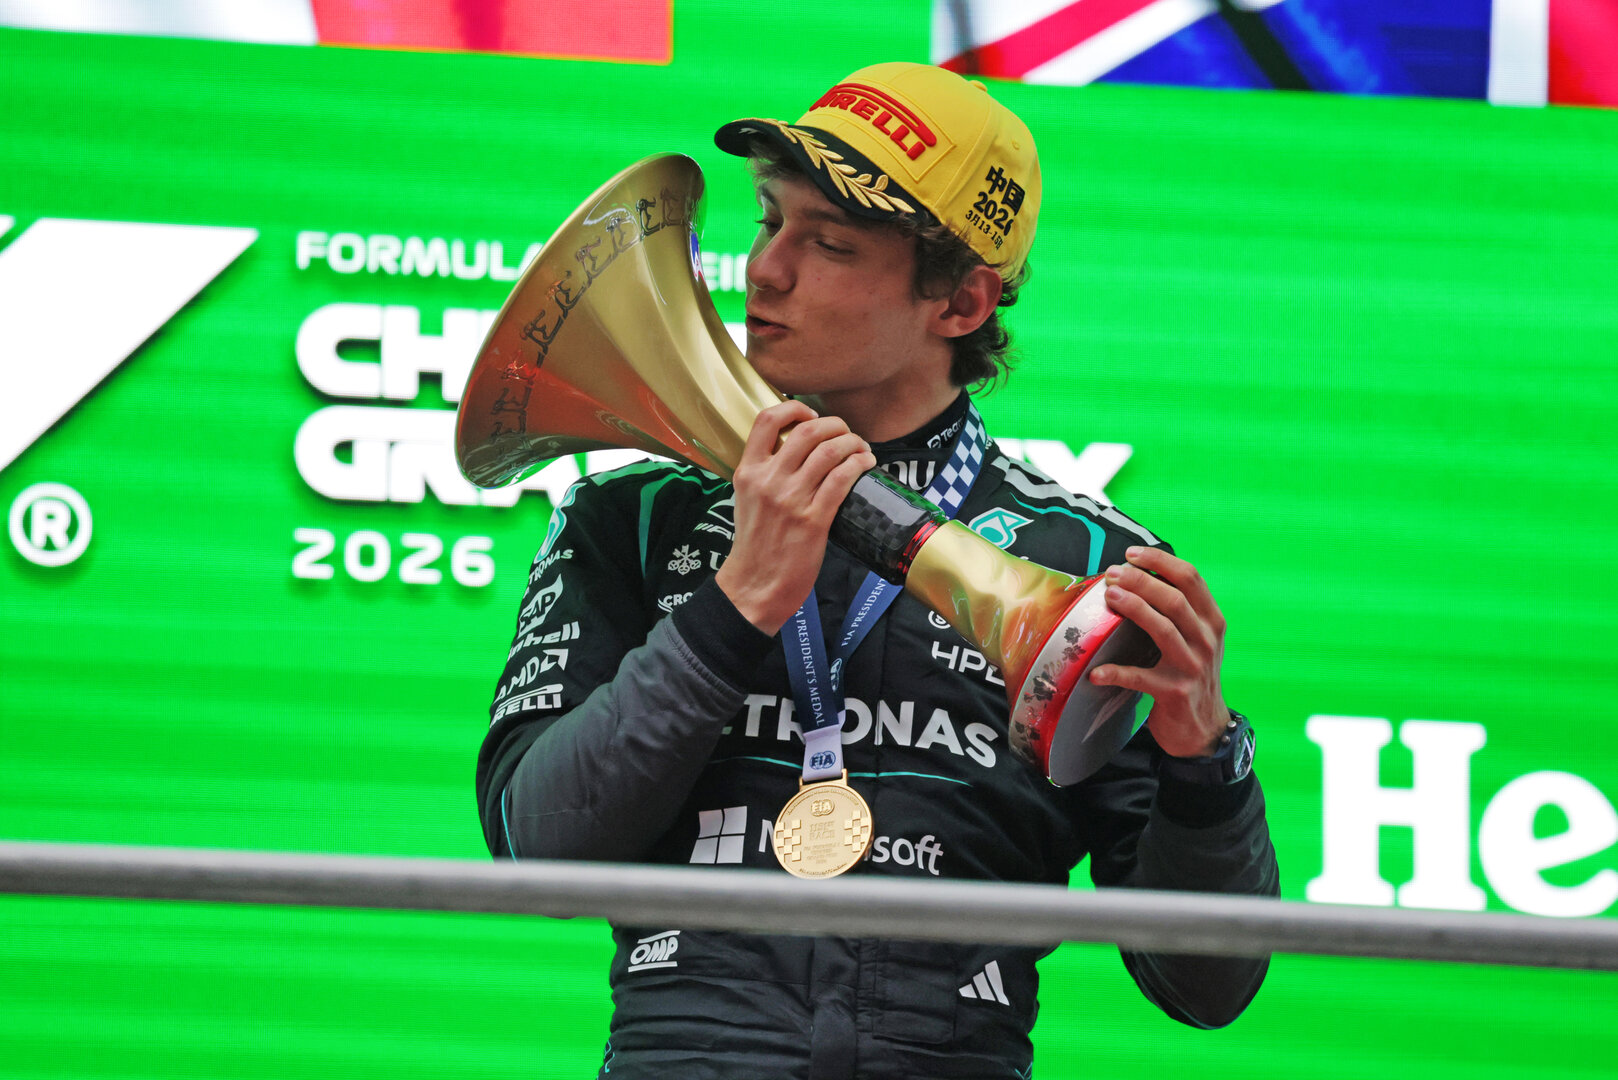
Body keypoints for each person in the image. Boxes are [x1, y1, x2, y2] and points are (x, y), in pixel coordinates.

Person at [476, 61, 1279, 1080]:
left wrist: (1203, 763)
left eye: (830, 244)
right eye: (768, 221)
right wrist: (737, 605)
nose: (765, 270)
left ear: (960, 301)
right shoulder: (634, 518)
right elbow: (536, 846)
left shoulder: (1090, 571)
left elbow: (1204, 986)